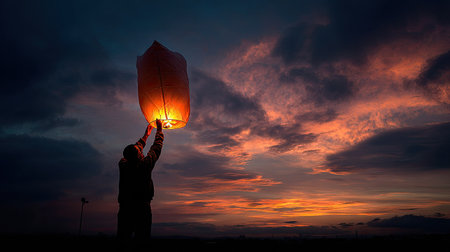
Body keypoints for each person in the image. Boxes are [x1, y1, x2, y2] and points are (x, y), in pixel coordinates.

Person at [117, 119, 164, 251]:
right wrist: (159, 130)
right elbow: (156, 148)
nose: (141, 151)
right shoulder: (144, 166)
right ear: (139, 156)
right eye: (140, 151)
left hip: (125, 208)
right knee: (142, 239)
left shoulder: (123, 165)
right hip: (142, 208)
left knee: (123, 237)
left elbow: (134, 149)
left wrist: (145, 135)